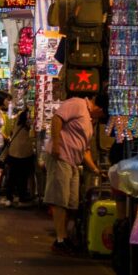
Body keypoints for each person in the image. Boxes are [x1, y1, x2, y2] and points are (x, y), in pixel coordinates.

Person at [44, 79, 103, 255]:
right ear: (98, 107)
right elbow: (57, 119)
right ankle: (61, 240)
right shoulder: (77, 104)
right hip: (60, 157)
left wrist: (95, 169)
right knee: (60, 200)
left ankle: (65, 237)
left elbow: (84, 149)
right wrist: (56, 144)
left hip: (73, 162)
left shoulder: (89, 119)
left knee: (72, 202)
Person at [3, 107, 36, 206]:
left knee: (12, 176)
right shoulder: (29, 125)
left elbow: (9, 131)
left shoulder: (17, 121)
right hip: (25, 153)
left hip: (13, 152)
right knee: (23, 177)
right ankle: (22, 198)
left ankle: (9, 198)